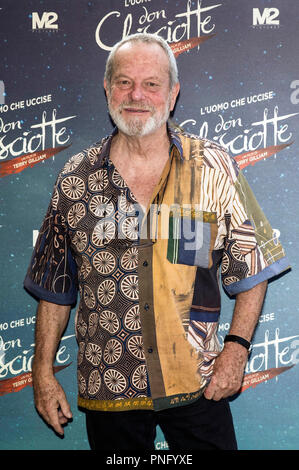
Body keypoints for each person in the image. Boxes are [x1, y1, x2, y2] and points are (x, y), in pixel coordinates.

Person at [24, 33, 289, 451]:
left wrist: (237, 350)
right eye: (125, 82)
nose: (136, 95)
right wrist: (41, 372)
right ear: (107, 88)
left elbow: (251, 263)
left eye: (151, 83)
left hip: (199, 384)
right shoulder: (75, 179)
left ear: (173, 92)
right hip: (110, 391)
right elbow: (55, 288)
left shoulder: (213, 167)